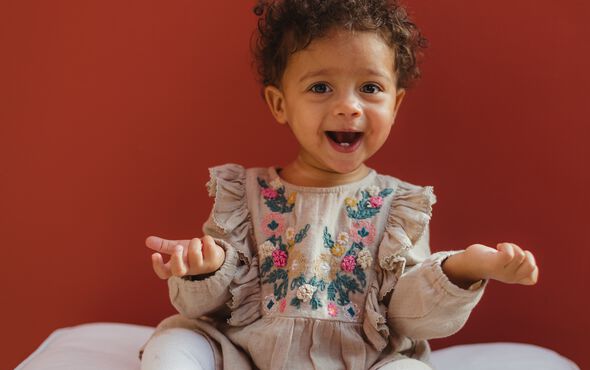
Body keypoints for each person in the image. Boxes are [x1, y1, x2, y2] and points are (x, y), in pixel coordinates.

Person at [140, 1, 539, 369]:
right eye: (320, 87)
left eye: (370, 88)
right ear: (280, 104)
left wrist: (463, 269)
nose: (349, 106)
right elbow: (208, 304)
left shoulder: (398, 205)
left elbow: (411, 316)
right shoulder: (244, 196)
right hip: (245, 356)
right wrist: (202, 269)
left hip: (361, 361)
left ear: (395, 105)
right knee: (174, 341)